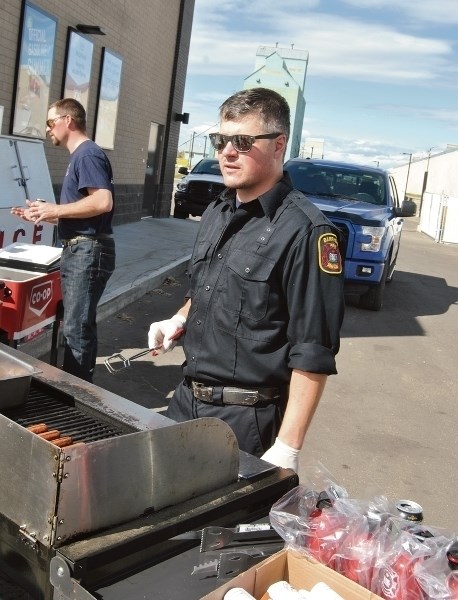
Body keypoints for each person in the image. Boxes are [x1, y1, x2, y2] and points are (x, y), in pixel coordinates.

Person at [148, 87, 344, 471]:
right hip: (185, 400)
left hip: (246, 421)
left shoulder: (307, 233)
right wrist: (179, 320)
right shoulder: (218, 211)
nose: (226, 152)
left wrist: (288, 446)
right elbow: (207, 289)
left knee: (216, 530)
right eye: (220, 140)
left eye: (242, 141)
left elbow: (313, 350)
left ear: (278, 144)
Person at [11, 98, 115, 383]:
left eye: (50, 122)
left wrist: (55, 209)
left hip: (87, 250)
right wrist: (45, 214)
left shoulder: (87, 154)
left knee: (76, 328)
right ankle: (78, 388)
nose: (48, 130)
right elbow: (86, 212)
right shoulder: (81, 156)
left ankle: (76, 395)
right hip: (81, 247)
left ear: (68, 120)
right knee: (78, 325)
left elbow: (103, 201)